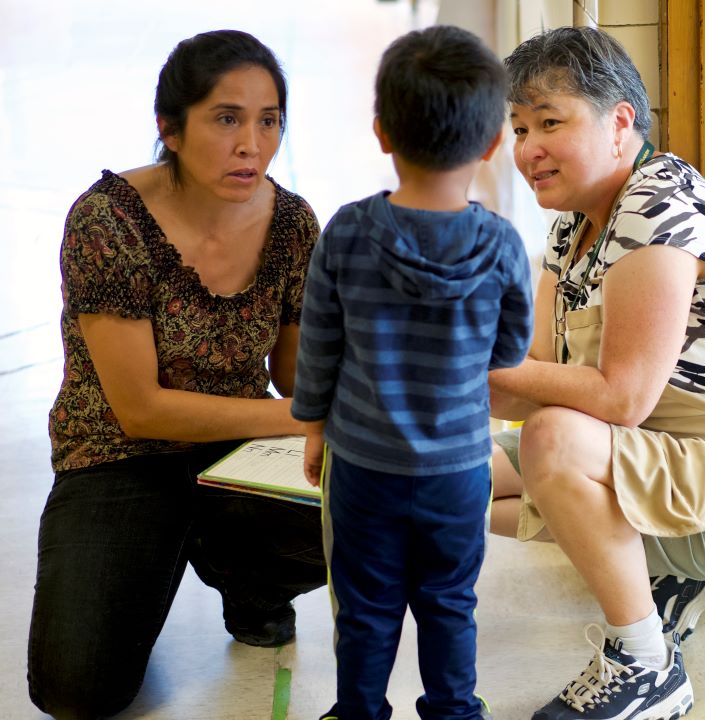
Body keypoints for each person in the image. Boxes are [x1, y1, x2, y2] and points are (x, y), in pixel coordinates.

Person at [27, 30, 327, 719]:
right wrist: (298, 416)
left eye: (269, 120)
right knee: (77, 691)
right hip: (120, 457)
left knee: (378, 512)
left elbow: (293, 375)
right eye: (227, 118)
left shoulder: (291, 222)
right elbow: (141, 410)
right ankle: (160, 544)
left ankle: (247, 581)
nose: (252, 143)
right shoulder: (107, 220)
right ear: (170, 127)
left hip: (237, 455)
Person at [291, 25, 533, 720]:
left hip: (363, 463)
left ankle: (359, 710)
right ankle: (454, 710)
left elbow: (320, 346)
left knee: (365, 606)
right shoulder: (501, 246)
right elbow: (510, 350)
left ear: (381, 133)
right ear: (492, 144)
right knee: (450, 602)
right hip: (458, 469)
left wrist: (313, 427)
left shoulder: (345, 232)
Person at [487, 26, 705, 720]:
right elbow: (524, 376)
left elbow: (619, 399)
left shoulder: (657, 204)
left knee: (556, 442)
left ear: (621, 122)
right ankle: (666, 579)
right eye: (520, 126)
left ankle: (646, 665)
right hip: (658, 454)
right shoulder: (574, 224)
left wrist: (496, 367)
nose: (528, 149)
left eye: (549, 122)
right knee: (438, 480)